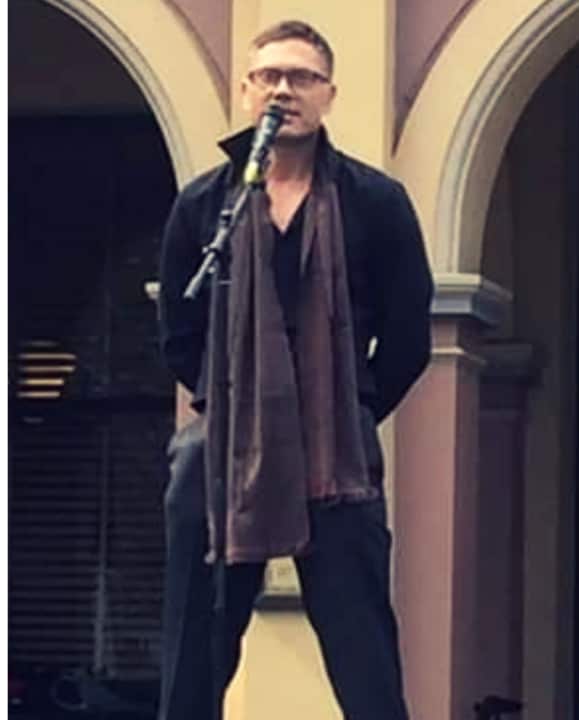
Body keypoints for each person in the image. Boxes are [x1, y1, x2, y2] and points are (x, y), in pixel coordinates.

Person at [156, 20, 431, 720]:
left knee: (365, 659)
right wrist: (237, 411)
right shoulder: (203, 204)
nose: (284, 88)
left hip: (334, 453)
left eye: (301, 77)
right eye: (270, 76)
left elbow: (407, 338)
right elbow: (178, 336)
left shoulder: (375, 202)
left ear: (328, 94)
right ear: (247, 92)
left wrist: (354, 409)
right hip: (228, 454)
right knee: (196, 651)